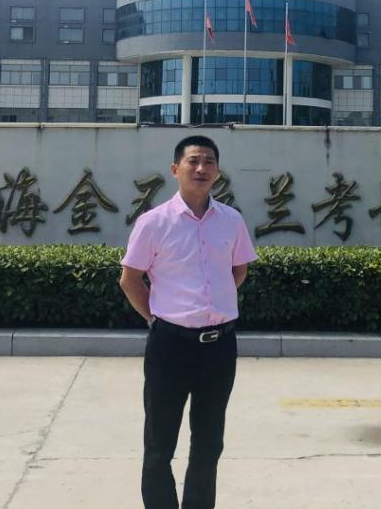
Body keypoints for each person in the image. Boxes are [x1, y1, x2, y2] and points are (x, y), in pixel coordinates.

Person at [119, 134, 258, 509]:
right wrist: (158, 317)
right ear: (175, 169)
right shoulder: (153, 223)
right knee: (160, 443)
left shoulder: (231, 220)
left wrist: (211, 305)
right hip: (170, 345)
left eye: (209, 161)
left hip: (219, 346)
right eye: (193, 161)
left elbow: (239, 269)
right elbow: (130, 279)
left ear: (217, 171)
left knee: (209, 442)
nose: (201, 168)